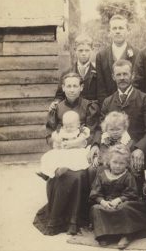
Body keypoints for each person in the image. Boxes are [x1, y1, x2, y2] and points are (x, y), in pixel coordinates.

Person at [33, 73, 100, 236]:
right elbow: (50, 131)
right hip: (62, 148)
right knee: (60, 172)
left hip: (81, 148)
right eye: (68, 86)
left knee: (77, 176)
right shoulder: (57, 107)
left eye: (75, 86)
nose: (71, 90)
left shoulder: (89, 105)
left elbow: (93, 130)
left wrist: (86, 144)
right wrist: (55, 141)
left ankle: (75, 220)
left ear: (81, 87)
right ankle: (58, 218)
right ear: (63, 88)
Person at [89, 59, 146, 195]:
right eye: (118, 75)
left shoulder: (144, 99)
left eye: (125, 74)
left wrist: (140, 149)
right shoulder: (108, 101)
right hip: (111, 148)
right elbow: (101, 128)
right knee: (93, 169)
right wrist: (95, 145)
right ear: (113, 77)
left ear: (132, 75)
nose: (122, 78)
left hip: (134, 148)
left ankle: (131, 208)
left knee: (134, 168)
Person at [90, 145, 146, 249]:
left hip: (124, 202)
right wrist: (103, 202)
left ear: (127, 164)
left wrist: (119, 199)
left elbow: (131, 193)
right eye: (115, 162)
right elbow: (96, 193)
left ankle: (126, 234)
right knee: (96, 209)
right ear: (109, 162)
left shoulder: (128, 176)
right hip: (107, 203)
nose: (118, 166)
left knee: (124, 208)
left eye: (122, 163)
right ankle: (105, 234)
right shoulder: (102, 174)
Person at [96, 14, 140, 103]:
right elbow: (101, 87)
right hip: (109, 105)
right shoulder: (101, 55)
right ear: (109, 32)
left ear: (128, 31)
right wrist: (106, 107)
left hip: (133, 104)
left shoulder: (138, 53)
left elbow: (139, 83)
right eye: (114, 28)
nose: (117, 31)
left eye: (121, 28)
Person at [50, 34, 98, 109]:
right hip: (71, 111)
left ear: (92, 50)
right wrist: (56, 102)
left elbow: (101, 96)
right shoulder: (67, 73)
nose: (84, 53)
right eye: (80, 50)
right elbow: (60, 95)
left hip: (91, 112)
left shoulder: (98, 72)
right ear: (75, 50)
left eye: (87, 50)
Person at [38, 110, 90, 179]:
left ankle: (64, 169)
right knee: (50, 156)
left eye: (71, 126)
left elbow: (80, 140)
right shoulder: (63, 131)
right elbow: (54, 135)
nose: (68, 128)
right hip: (64, 151)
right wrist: (57, 140)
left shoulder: (81, 131)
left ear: (78, 124)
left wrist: (71, 143)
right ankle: (47, 172)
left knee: (73, 159)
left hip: (76, 150)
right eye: (65, 126)